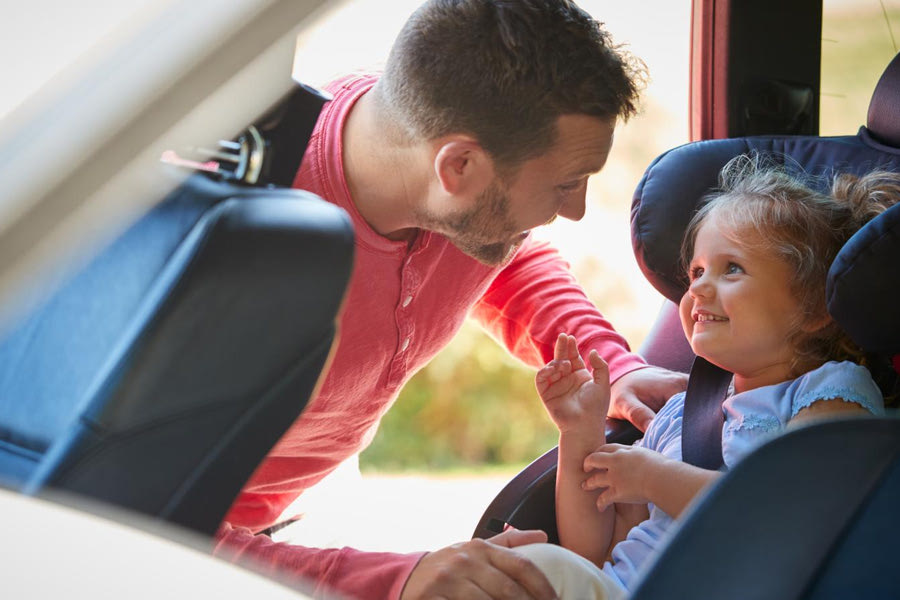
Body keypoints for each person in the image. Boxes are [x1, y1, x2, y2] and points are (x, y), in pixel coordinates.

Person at [213, 1, 689, 599]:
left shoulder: (454, 195)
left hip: (311, 497)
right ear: (458, 165)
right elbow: (121, 516)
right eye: (565, 183)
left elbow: (508, 257)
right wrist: (396, 580)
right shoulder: (228, 247)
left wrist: (612, 365)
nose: (576, 210)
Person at [523, 155, 896, 597]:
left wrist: (654, 477)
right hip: (618, 588)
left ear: (814, 307)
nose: (696, 288)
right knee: (522, 565)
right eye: (697, 271)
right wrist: (580, 433)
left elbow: (787, 520)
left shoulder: (831, 392)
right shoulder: (677, 416)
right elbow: (592, 550)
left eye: (731, 268)